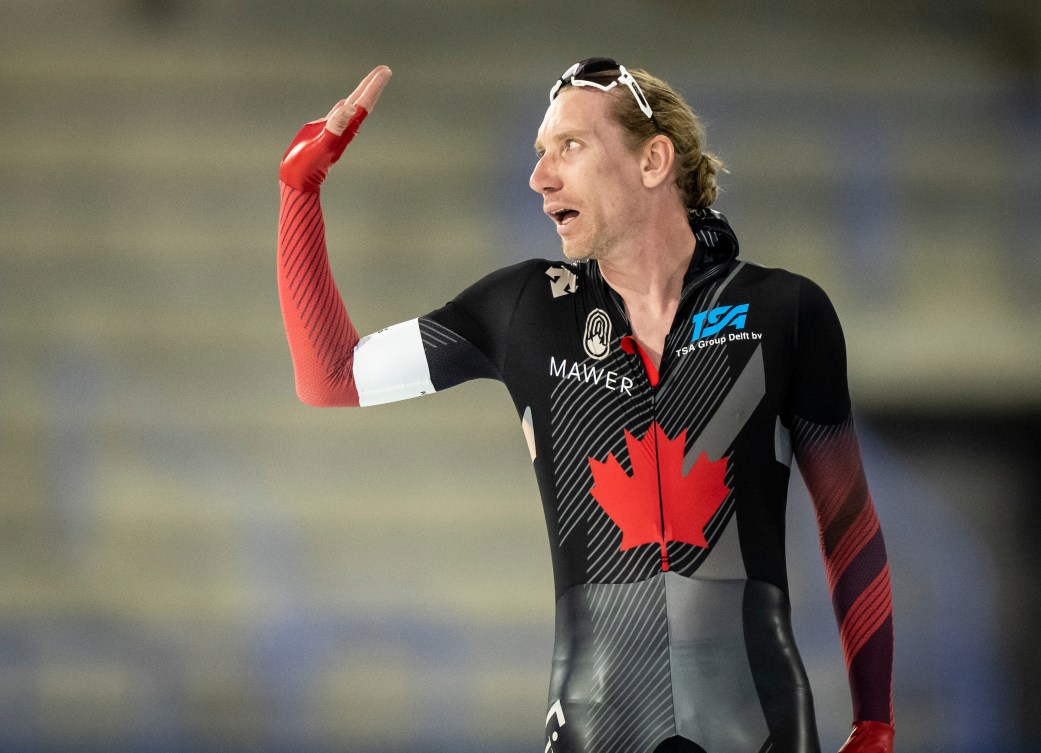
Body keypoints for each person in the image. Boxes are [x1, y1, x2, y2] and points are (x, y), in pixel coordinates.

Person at [276, 60, 895, 753]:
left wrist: (873, 718)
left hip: (757, 715)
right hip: (597, 719)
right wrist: (300, 188)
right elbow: (330, 376)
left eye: (568, 146)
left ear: (653, 159)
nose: (540, 178)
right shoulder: (523, 308)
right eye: (539, 153)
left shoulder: (786, 309)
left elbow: (848, 525)